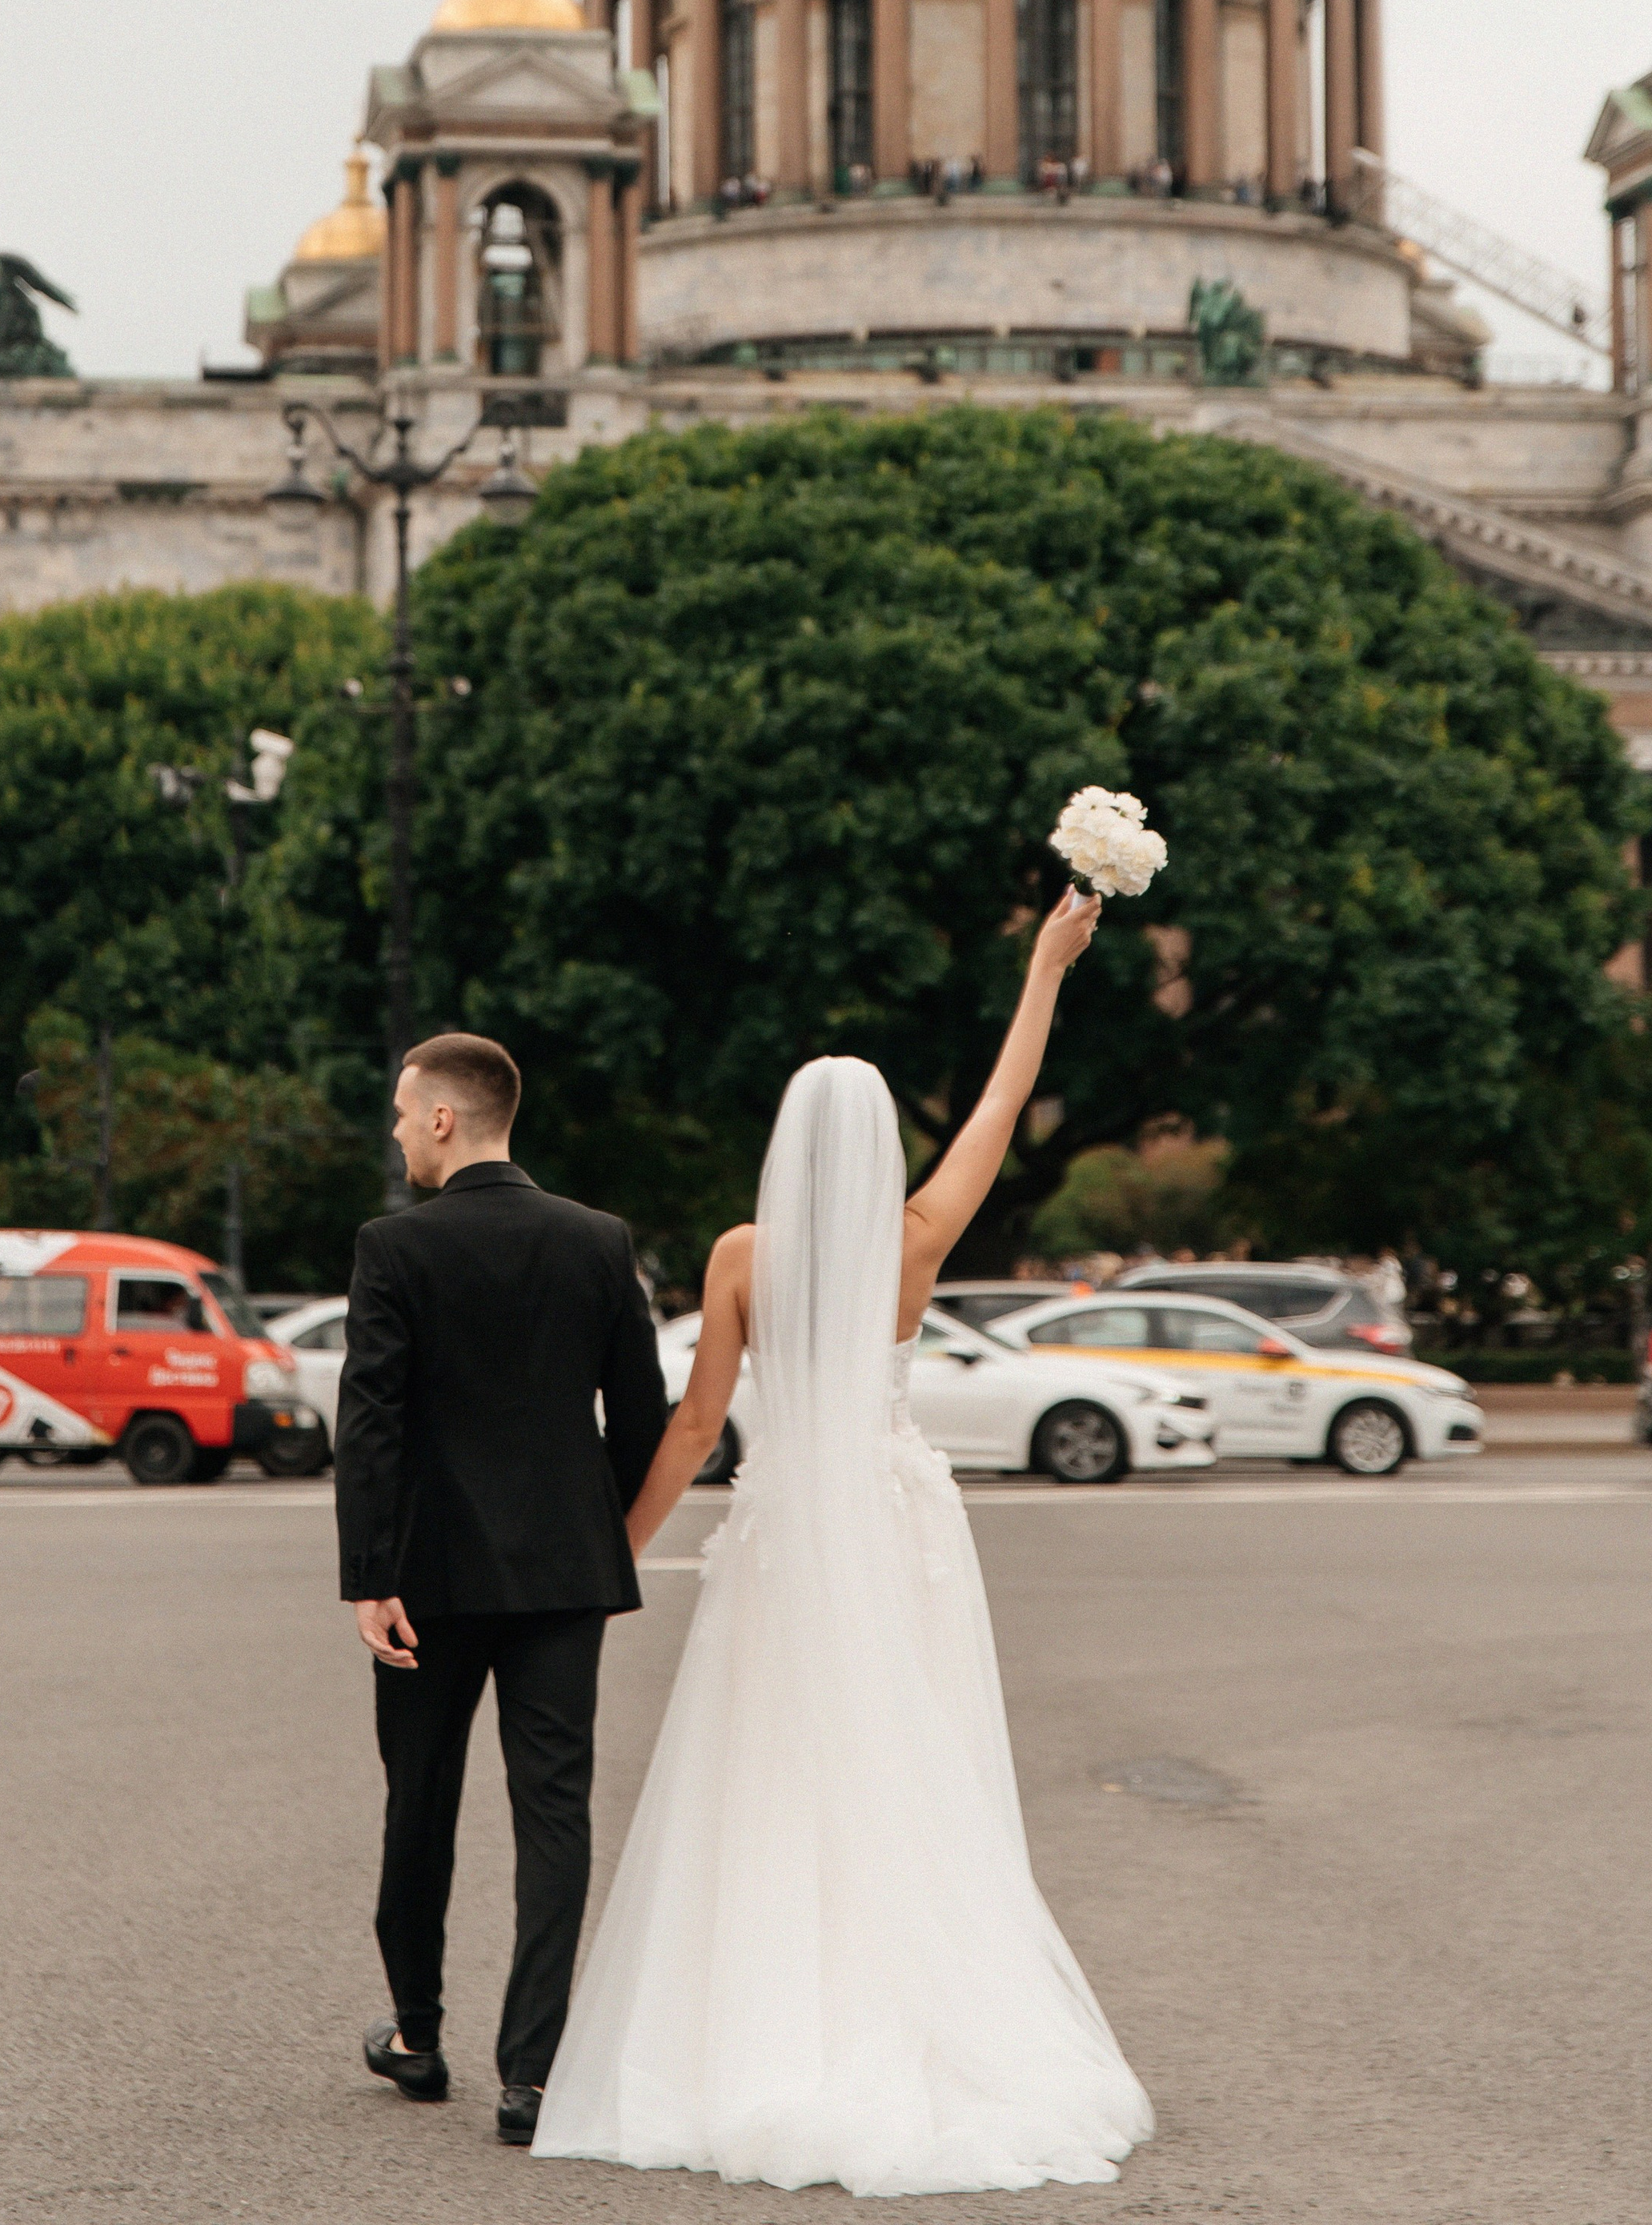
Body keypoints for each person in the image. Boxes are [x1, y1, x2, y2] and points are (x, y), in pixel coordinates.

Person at [534, 889, 1152, 2195]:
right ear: (878, 1152)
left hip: (786, 1531)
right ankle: (923, 2011)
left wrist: (617, 1556)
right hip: (894, 1521)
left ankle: (757, 2025)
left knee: (767, 1774)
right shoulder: (919, 1240)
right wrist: (1045, 969)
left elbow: (698, 1426)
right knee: (907, 1761)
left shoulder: (743, 1255)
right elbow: (1001, 1101)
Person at [334, 1031, 668, 2150]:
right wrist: (599, 1529)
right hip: (564, 1574)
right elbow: (643, 1416)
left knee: (419, 1798)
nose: (395, 1131)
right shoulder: (598, 1240)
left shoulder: (394, 1249)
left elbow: (370, 1424)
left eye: (399, 1112)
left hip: (427, 1575)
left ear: (442, 1118)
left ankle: (419, 2037)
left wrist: (370, 1576)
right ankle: (532, 2074)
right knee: (554, 1811)